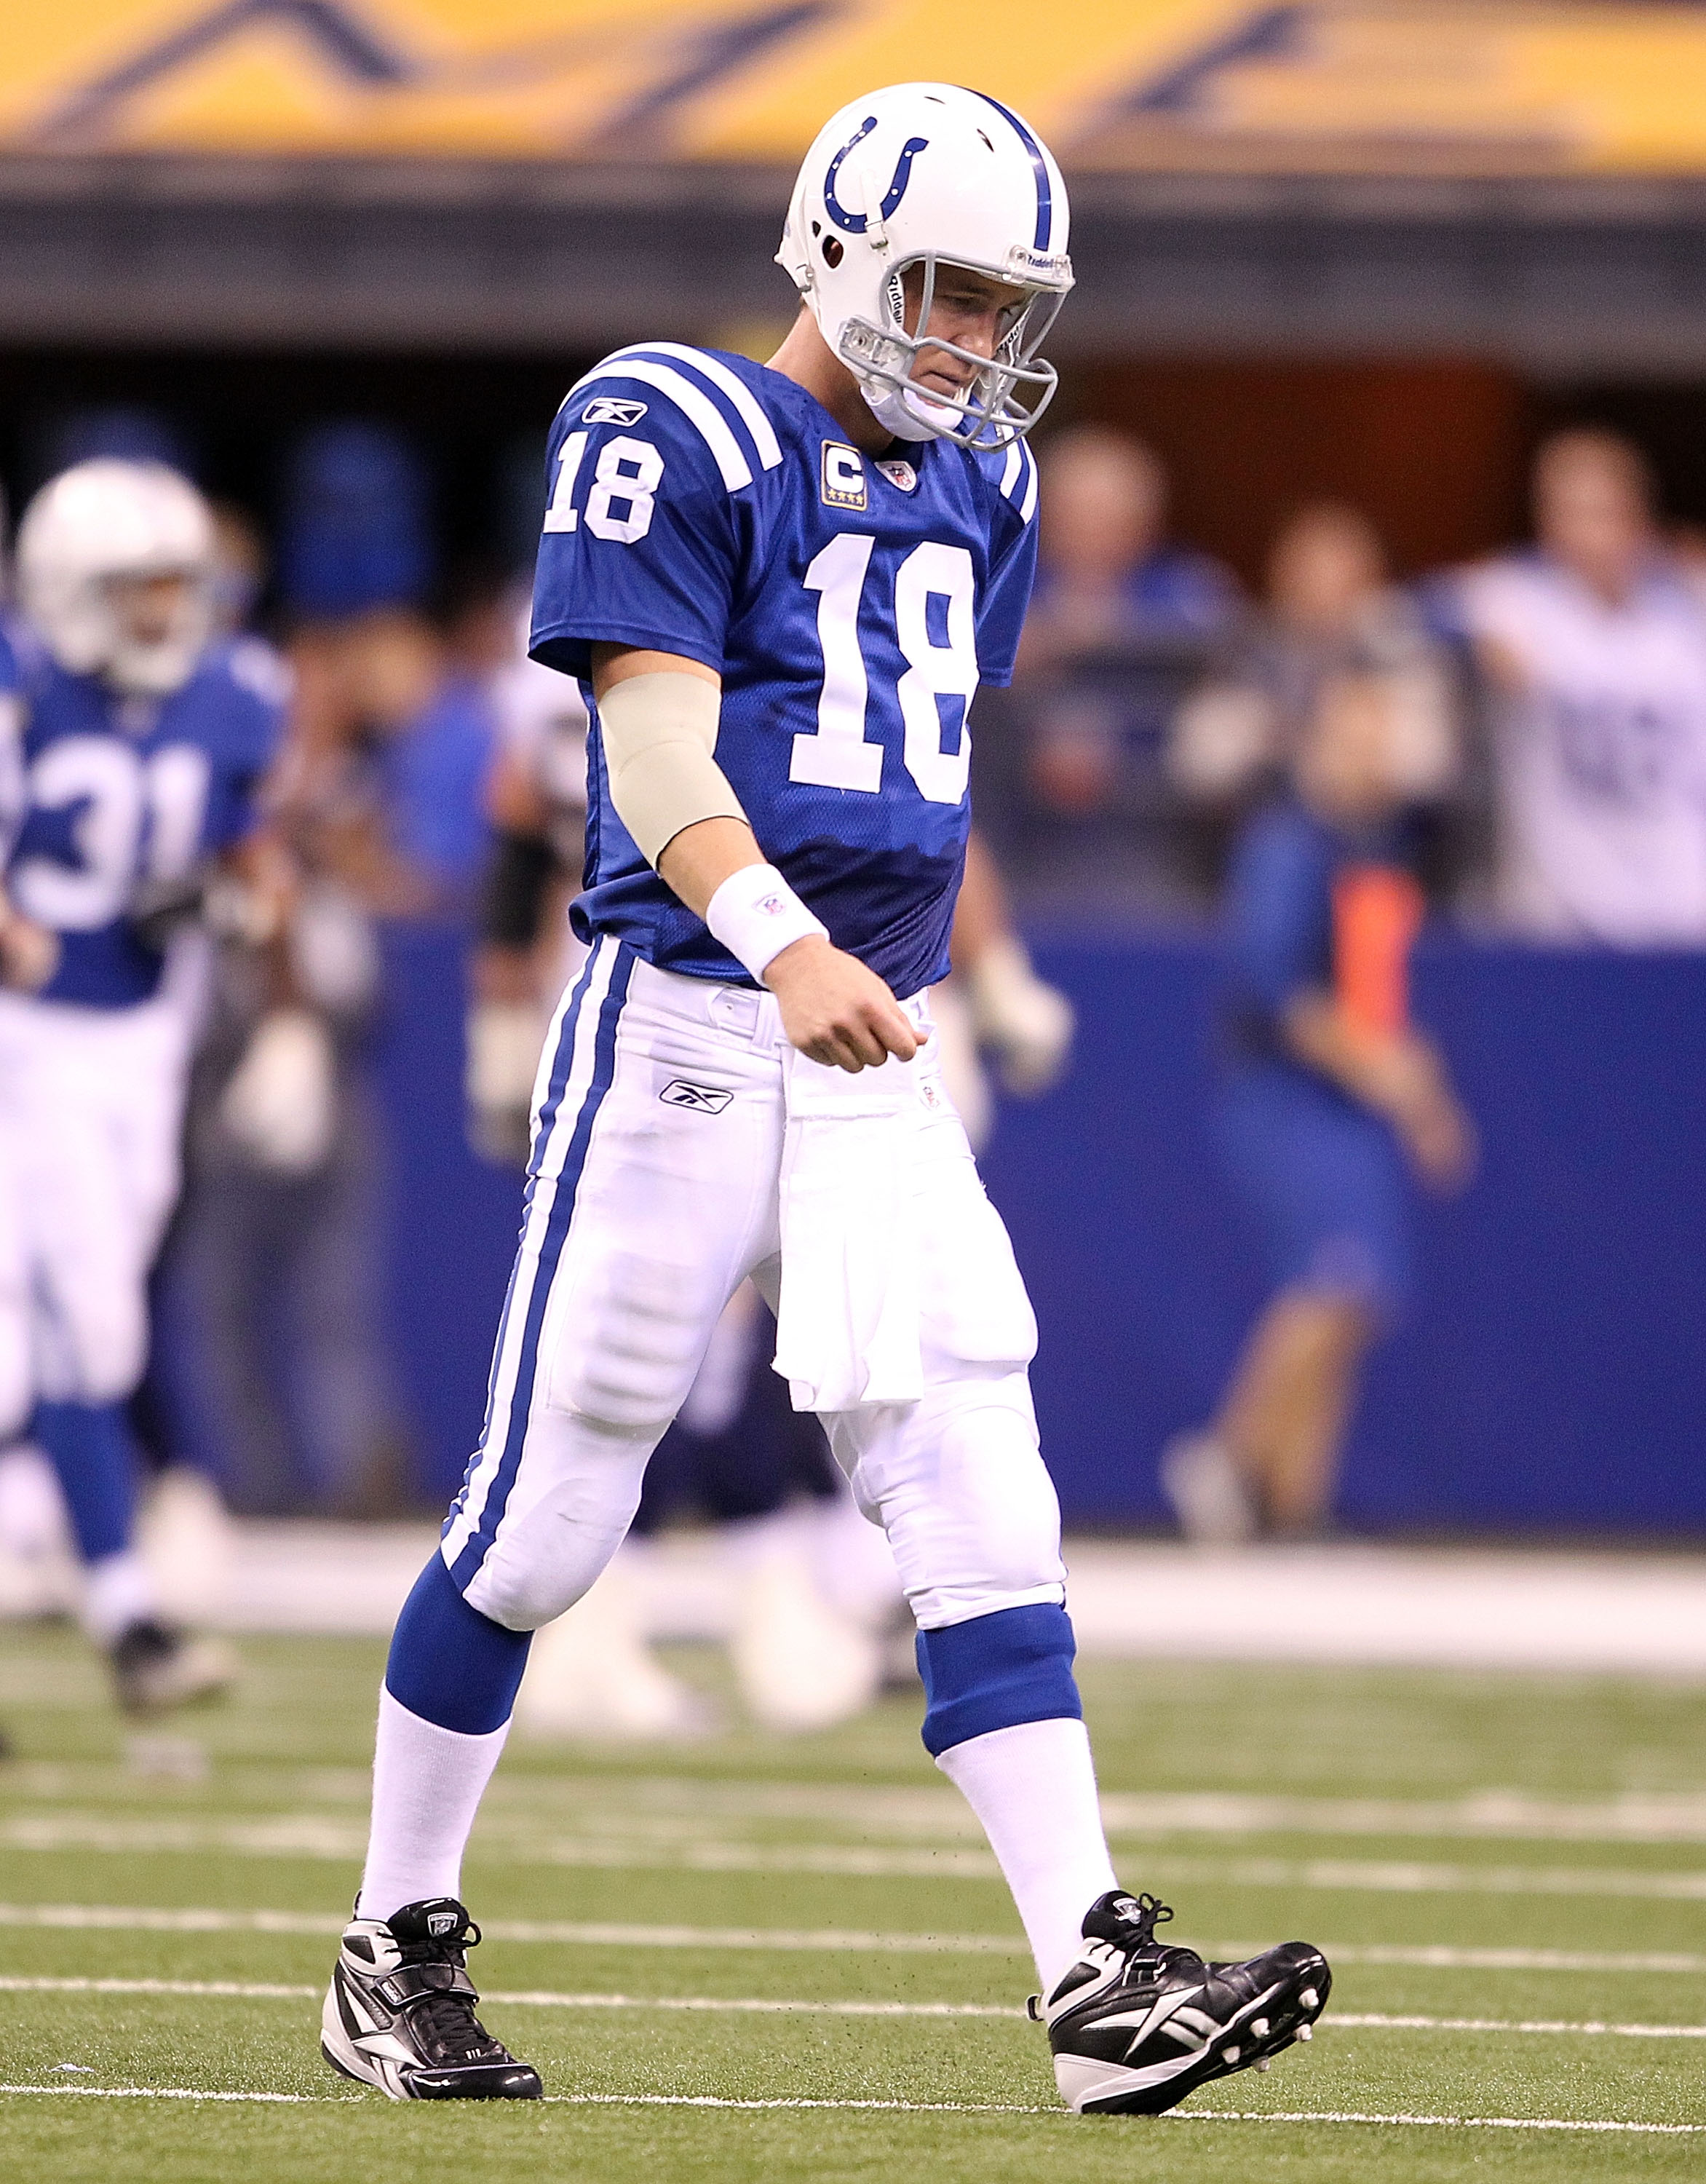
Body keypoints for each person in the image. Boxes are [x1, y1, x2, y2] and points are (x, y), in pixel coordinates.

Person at [319, 82, 1330, 2116]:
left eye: (1005, 304)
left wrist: (977, 959)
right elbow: (658, 761)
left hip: (876, 1047)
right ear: (839, 246)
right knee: (543, 1522)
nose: (973, 340)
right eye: (945, 291)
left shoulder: (996, 485)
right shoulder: (674, 424)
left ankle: (1095, 1978)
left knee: (976, 1472)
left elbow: (926, 773)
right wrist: (785, 945)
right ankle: (389, 1946)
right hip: (690, 1021)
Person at [0, 457, 295, 1709]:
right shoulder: (22, 685)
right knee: (63, 1328)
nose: (168, 614)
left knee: (85, 1334)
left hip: (143, 1041)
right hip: (26, 1033)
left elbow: (249, 853)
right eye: (139, 592)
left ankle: (121, 1614)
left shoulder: (235, 692)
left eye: (179, 588)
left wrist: (248, 919)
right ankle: (122, 1611)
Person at [1162, 663, 1475, 1543]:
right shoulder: (1289, 844)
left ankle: (1295, 1505)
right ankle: (1227, 1458)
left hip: (1352, 1100)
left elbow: (1377, 997)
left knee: (1359, 1296)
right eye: (1352, 729)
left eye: (1379, 730)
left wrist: (1416, 1101)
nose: (1370, 748)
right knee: (1329, 1282)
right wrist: (1390, 1078)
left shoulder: (1379, 844)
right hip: (1287, 1095)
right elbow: (1281, 998)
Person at [1451, 430, 1706, 941]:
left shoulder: (1684, 613)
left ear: (1639, 518)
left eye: (1605, 511)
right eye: (1571, 512)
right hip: (1564, 912)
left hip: (1684, 904)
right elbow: (1412, 609)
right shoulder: (1513, 602)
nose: (1590, 532)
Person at [1005, 425, 1239, 901]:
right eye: (1077, 510)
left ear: (1144, 518)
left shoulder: (1181, 586)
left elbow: (1222, 639)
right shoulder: (1010, 581)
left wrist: (1102, 628)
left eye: (1108, 512)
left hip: (1151, 835)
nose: (1091, 526)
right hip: (1029, 836)